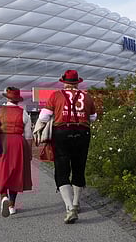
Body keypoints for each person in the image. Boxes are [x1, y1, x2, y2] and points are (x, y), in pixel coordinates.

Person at [36, 70, 97, 224]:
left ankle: (69, 208)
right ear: (77, 82)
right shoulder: (87, 96)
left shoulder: (56, 95)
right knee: (79, 167)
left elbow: (44, 117)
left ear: (64, 82)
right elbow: (93, 118)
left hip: (62, 132)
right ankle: (76, 203)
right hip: (83, 133)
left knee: (62, 170)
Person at [0, 86, 33, 217]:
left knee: (1, 171)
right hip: (18, 143)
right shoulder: (23, 113)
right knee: (15, 173)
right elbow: (28, 135)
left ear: (6, 98)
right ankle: (12, 205)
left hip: (0, 143)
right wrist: (29, 152)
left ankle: (3, 197)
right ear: (18, 100)